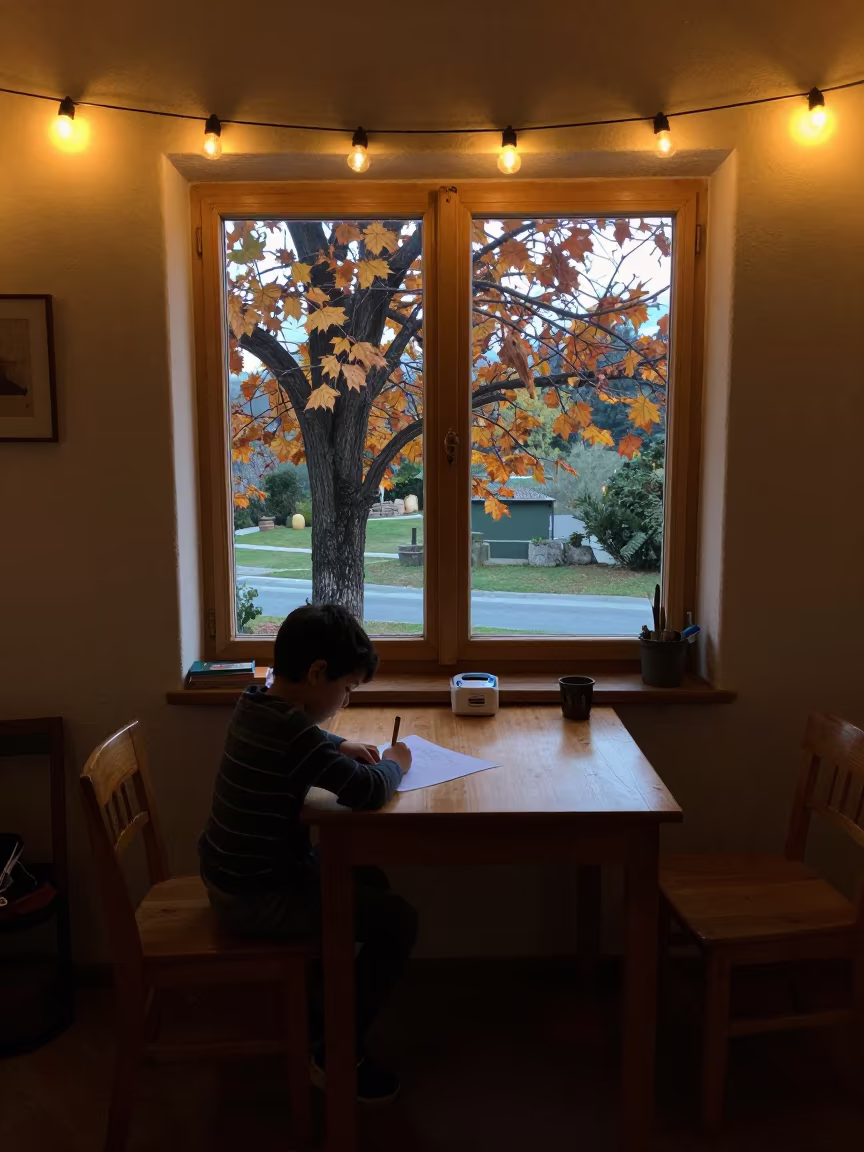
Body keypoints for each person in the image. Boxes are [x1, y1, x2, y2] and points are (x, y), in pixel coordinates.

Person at [199, 603, 416, 1103]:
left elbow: (308, 740)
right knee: (399, 920)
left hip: (231, 874)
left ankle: (323, 1012)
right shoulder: (294, 734)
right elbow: (364, 792)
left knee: (371, 882)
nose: (344, 701)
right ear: (318, 673)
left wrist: (336, 744)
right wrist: (397, 763)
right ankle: (336, 1054)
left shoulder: (256, 700)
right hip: (256, 898)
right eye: (345, 689)